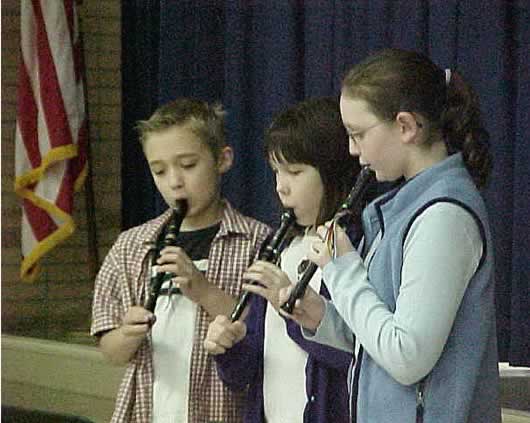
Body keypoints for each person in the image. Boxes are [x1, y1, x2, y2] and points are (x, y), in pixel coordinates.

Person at [280, 49, 501, 423]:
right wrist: (322, 317)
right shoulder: (399, 209)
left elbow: (407, 357)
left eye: (358, 134)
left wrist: (342, 269)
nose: (352, 150)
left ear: (405, 126)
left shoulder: (444, 216)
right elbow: (377, 343)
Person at [90, 98, 270, 423]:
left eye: (188, 165)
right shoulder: (131, 246)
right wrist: (129, 333)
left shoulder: (259, 242)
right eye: (159, 170)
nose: (174, 182)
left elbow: (265, 335)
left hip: (222, 412)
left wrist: (203, 290)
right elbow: (111, 351)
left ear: (222, 159)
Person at [204, 97, 364, 423]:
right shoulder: (279, 246)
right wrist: (230, 347)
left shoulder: (358, 243)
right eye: (276, 171)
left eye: (294, 172)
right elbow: (246, 374)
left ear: (332, 173)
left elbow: (362, 356)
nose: (281, 187)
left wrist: (294, 310)